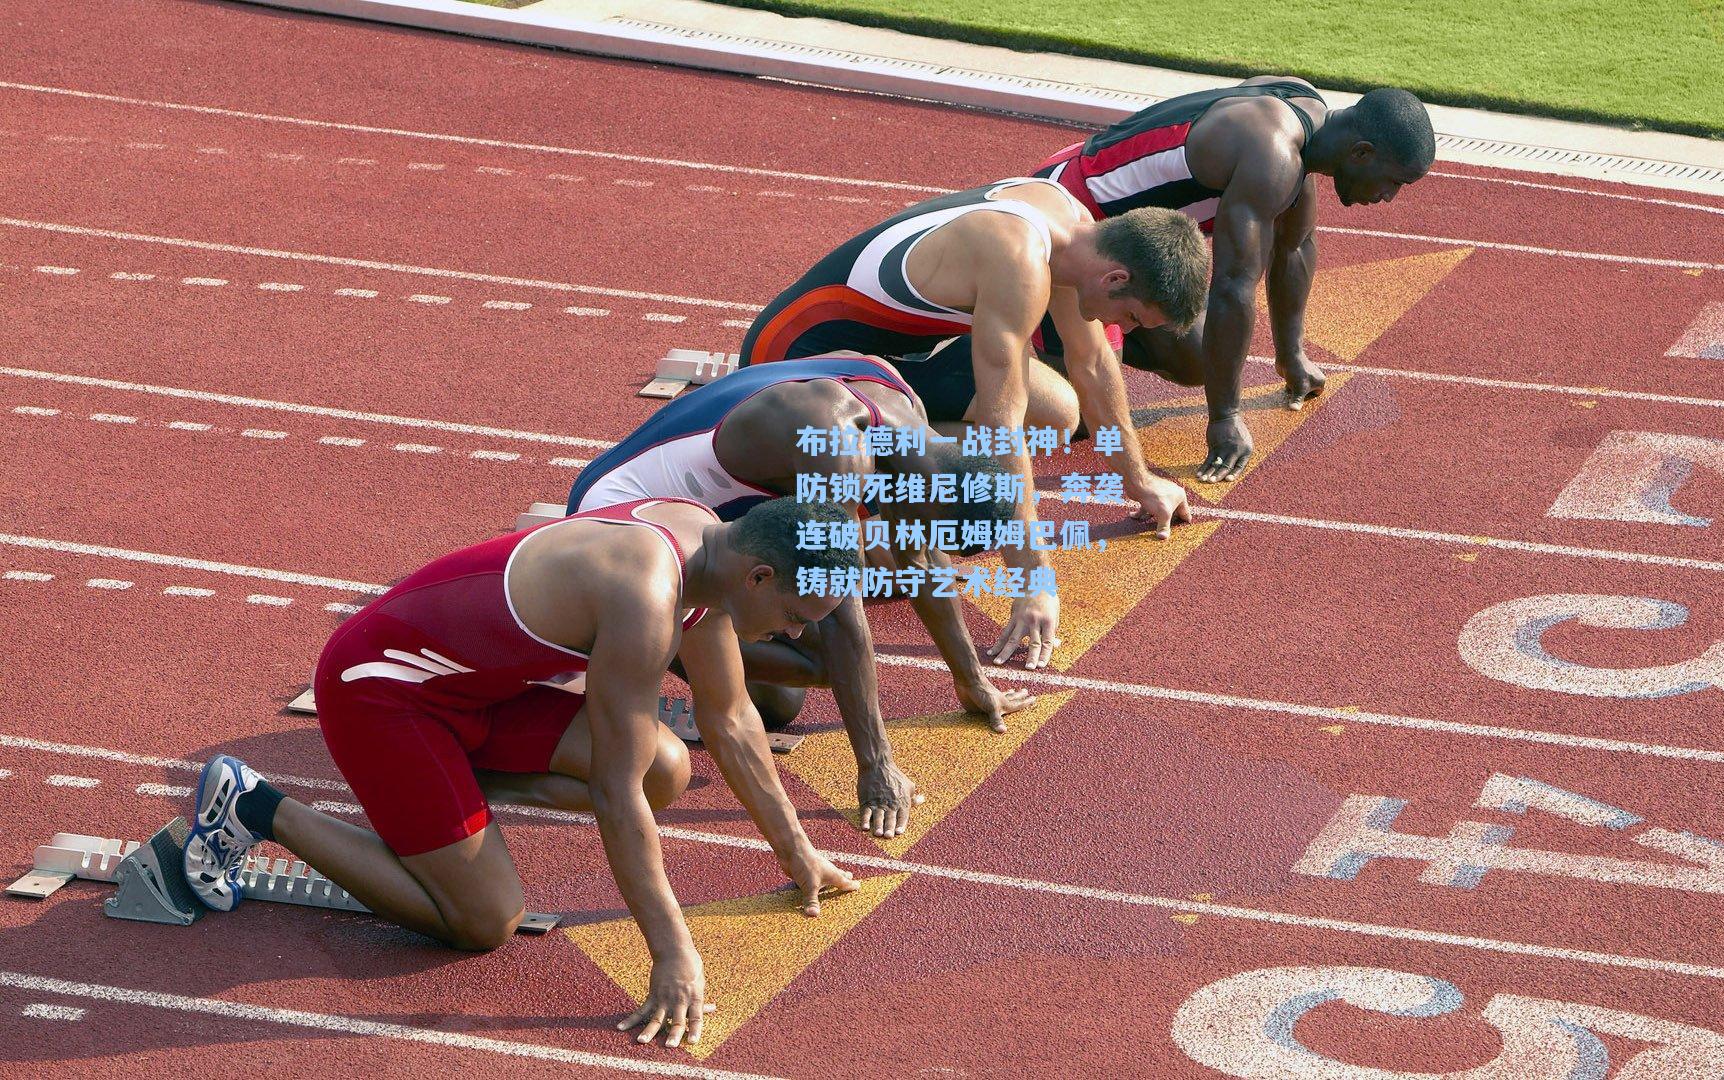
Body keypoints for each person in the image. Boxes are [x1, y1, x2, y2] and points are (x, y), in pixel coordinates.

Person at [182, 496, 861, 1050]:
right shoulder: (646, 595)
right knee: (485, 920)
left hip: (473, 695)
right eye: (799, 618)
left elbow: (734, 718)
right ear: (761, 577)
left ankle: (436, 806)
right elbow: (613, 793)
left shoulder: (709, 549)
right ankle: (255, 806)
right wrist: (672, 952)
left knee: (667, 766)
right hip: (382, 692)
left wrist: (797, 854)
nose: (797, 637)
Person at [740, 176, 1210, 667]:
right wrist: (1031, 581)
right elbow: (999, 428)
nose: (1125, 330)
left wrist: (1138, 479)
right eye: (1132, 318)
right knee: (904, 550)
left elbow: (1091, 364)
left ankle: (890, 477)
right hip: (791, 362)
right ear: (1115, 279)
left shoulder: (1076, 232)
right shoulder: (1019, 261)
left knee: (1057, 413)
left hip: (885, 353)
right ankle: (865, 498)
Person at [568, 352, 1035, 839]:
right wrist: (876, 767)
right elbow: (839, 613)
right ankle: (643, 648)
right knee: (812, 672)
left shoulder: (906, 418)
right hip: (619, 516)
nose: (920, 542)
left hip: (702, 519)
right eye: (929, 529)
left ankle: (681, 645)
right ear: (930, 495)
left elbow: (918, 560)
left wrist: (973, 681)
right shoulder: (837, 453)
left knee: (789, 695)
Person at [1034, 82, 1435, 482]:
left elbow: (1294, 245)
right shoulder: (1272, 155)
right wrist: (1225, 417)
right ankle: (1013, 335)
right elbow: (1232, 286)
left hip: (1116, 236)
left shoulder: (1305, 115)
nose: (1388, 197)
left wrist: (1291, 355)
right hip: (1071, 218)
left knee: (1197, 355)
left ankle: (1081, 338)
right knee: (1074, 418)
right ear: (1361, 152)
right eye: (1393, 182)